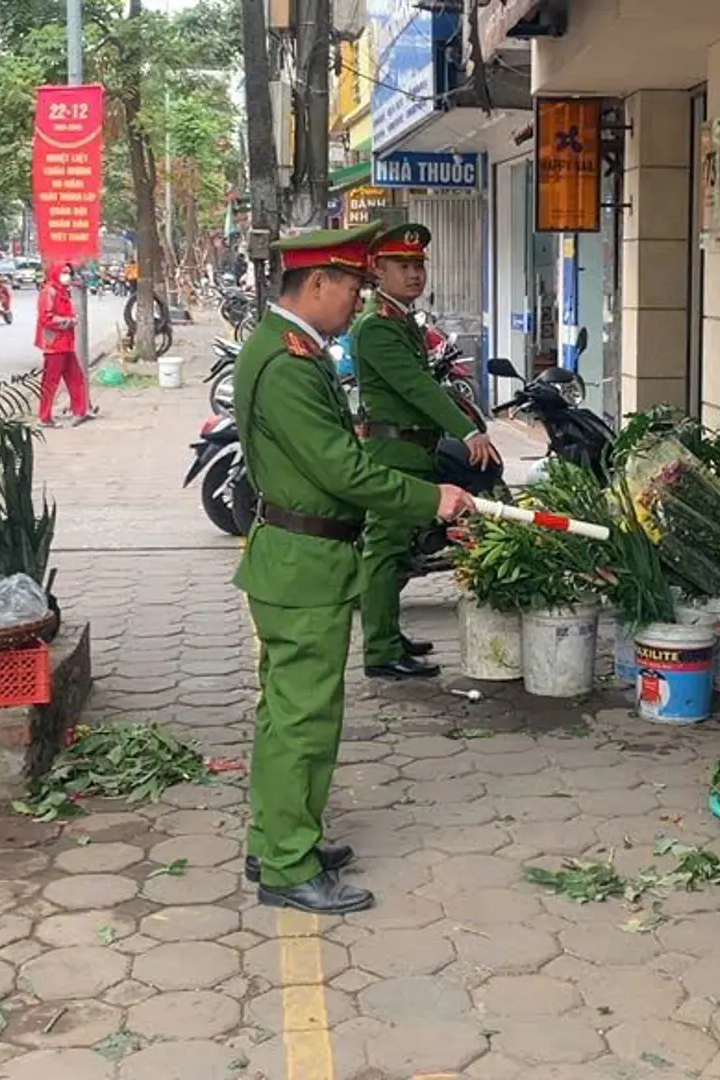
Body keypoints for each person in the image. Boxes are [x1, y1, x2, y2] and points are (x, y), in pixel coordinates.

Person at [233, 224, 475, 915]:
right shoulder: (286, 363)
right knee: (304, 719)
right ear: (316, 285)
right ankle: (286, 863)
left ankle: (278, 836)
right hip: (301, 565)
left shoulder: (289, 351)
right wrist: (433, 496)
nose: (355, 300)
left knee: (285, 715)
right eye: (351, 286)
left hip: (297, 562)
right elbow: (339, 467)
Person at [351, 223, 501, 679]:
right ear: (379, 270)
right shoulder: (376, 328)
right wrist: (468, 430)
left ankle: (391, 636)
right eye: (403, 266)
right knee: (384, 550)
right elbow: (417, 388)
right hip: (393, 452)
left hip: (414, 450)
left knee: (399, 552)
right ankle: (379, 651)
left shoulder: (402, 321)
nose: (415, 274)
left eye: (418, 265)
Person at [35, 263, 92, 427]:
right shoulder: (49, 292)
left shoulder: (63, 291)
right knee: (50, 382)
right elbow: (46, 318)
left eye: (68, 272)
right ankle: (44, 417)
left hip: (66, 343)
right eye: (64, 272)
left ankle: (80, 411)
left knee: (76, 378)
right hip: (54, 344)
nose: (67, 276)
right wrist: (69, 321)